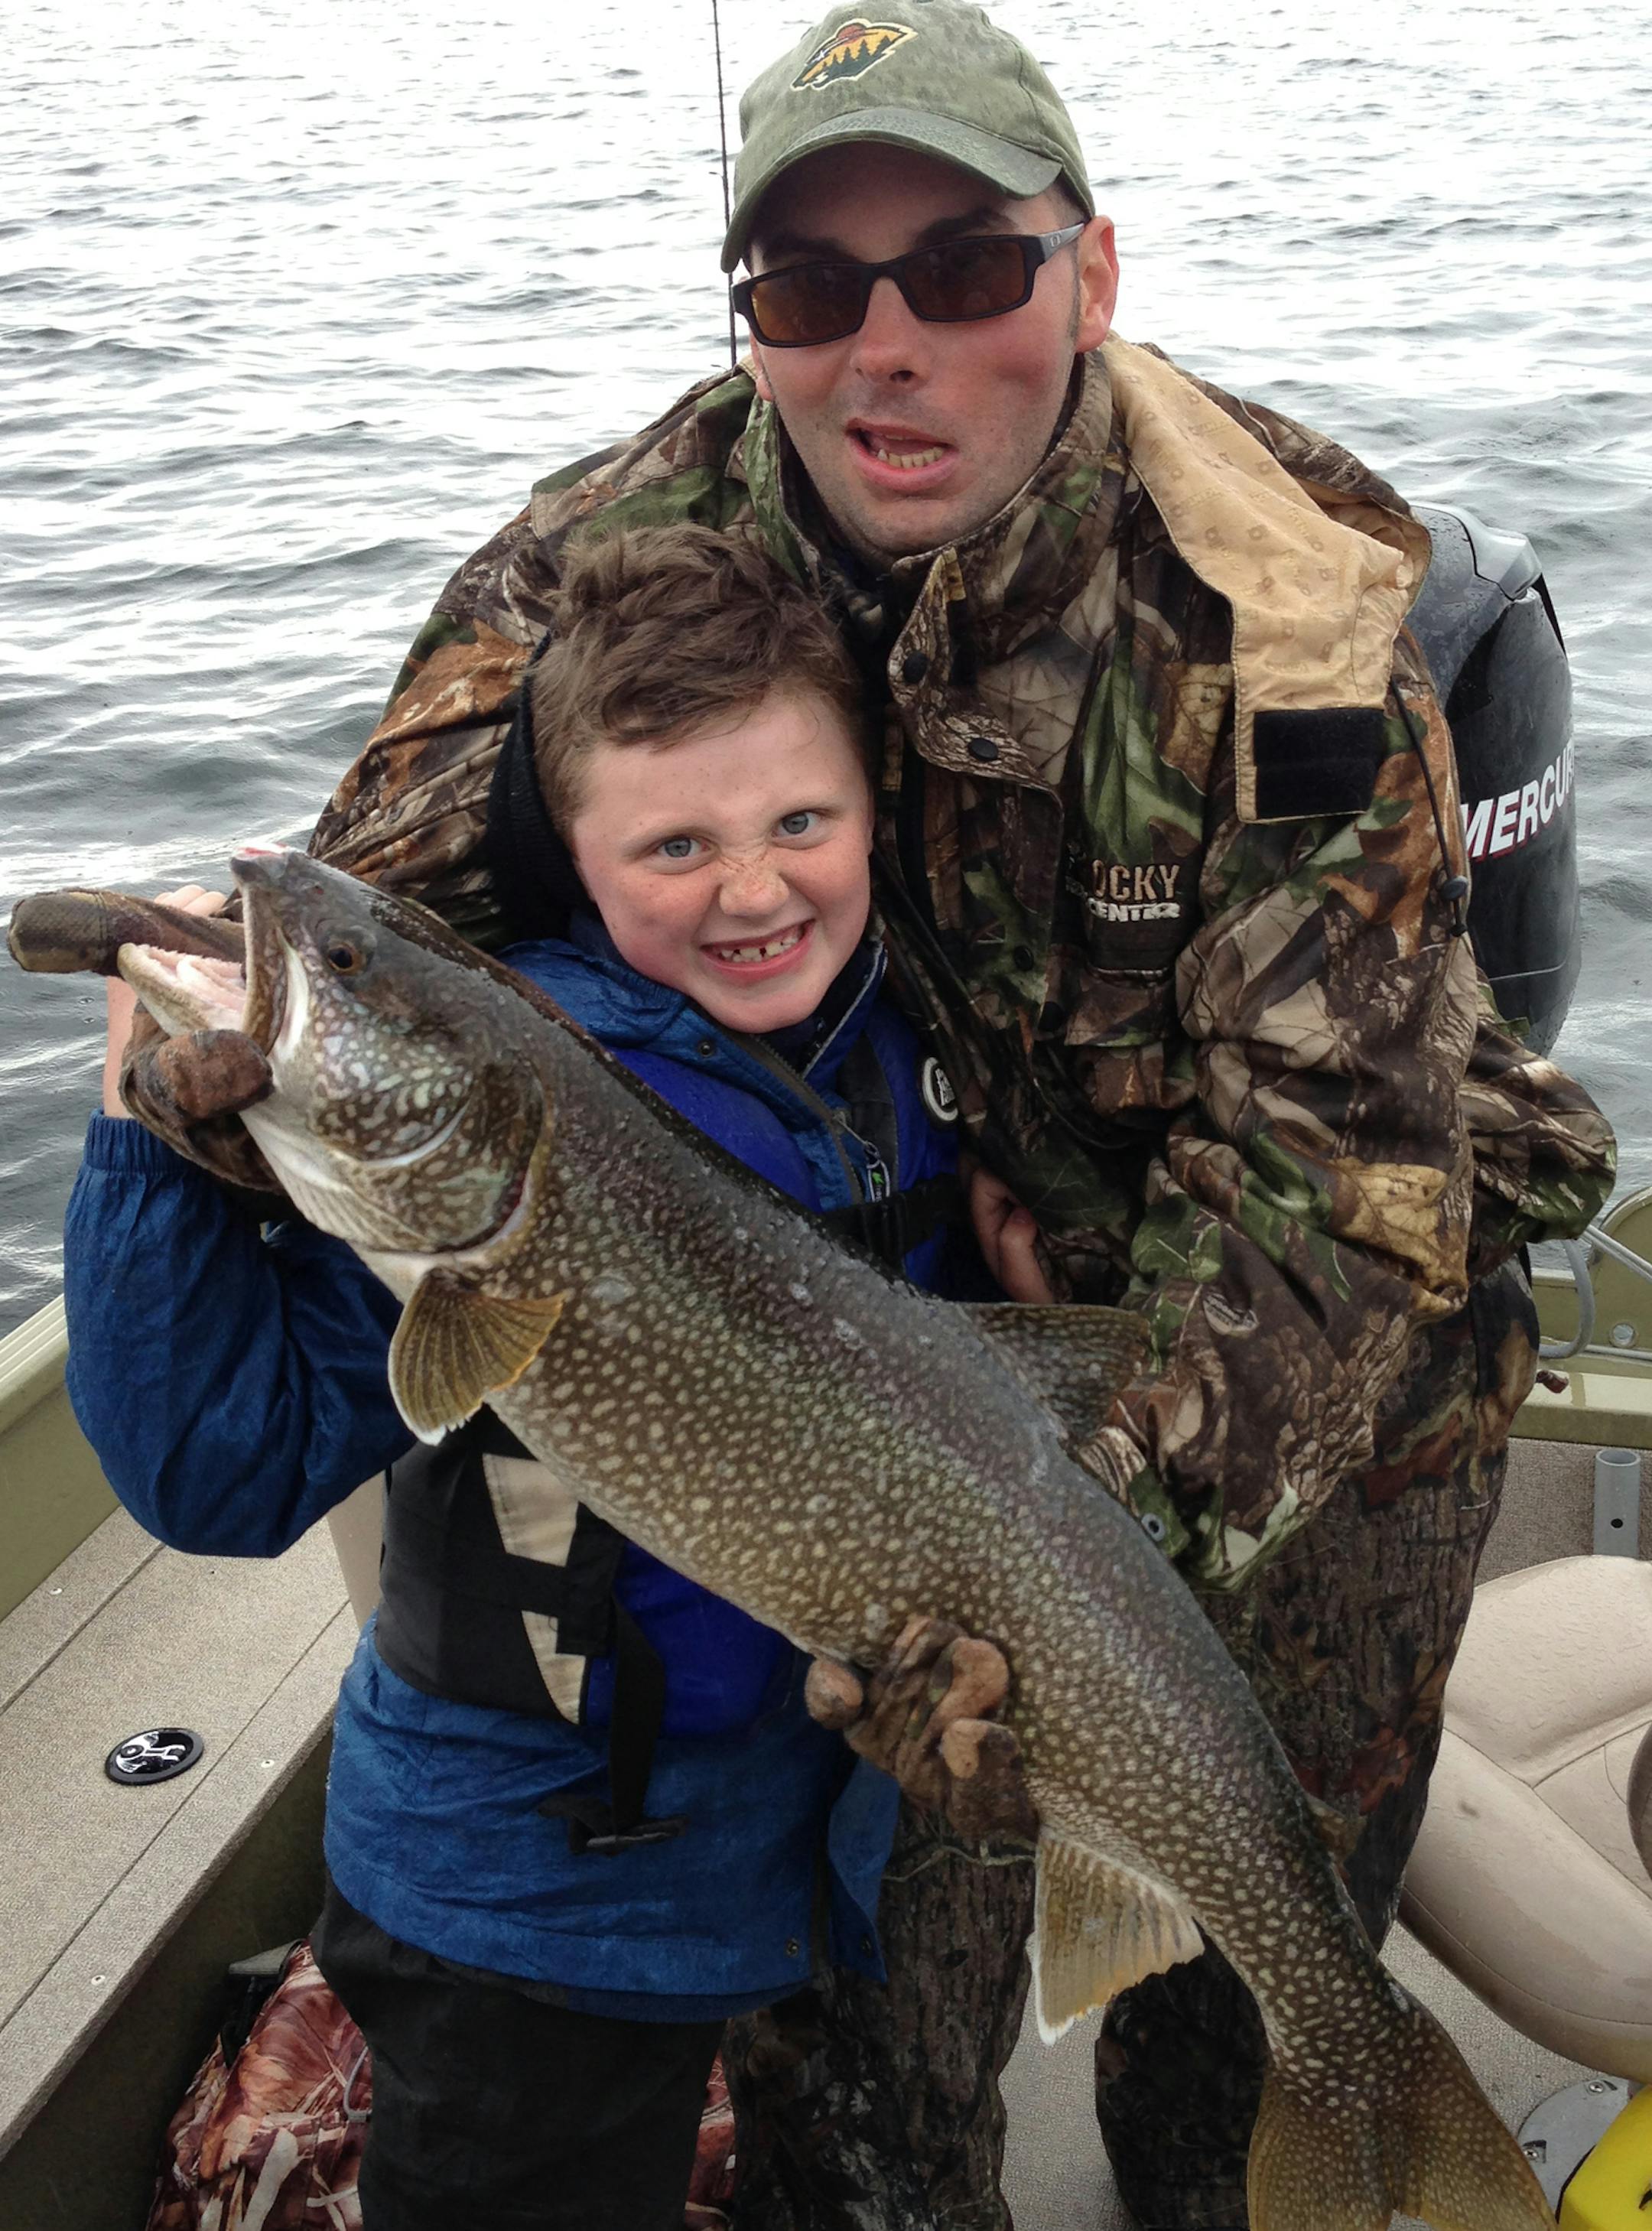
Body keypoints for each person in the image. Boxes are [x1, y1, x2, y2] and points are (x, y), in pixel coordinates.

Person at [110, 4, 1617, 2226]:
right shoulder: (623, 546)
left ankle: (1295, 2140)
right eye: (810, 290)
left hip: (1309, 1368)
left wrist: (1091, 1526)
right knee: (874, 2080)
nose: (883, 348)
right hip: (894, 1352)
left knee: (1242, 2000)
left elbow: (1349, 1186)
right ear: (755, 323)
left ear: (1088, 280)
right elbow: (373, 920)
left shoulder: (1294, 614)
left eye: (968, 272)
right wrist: (191, 1090)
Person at [66, 523, 997, 2231]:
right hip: (521, 1911)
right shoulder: (479, 1168)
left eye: (803, 821)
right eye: (675, 844)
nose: (754, 886)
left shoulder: (895, 1047)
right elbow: (218, 1469)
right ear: (572, 855)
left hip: (800, 1855)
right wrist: (145, 1142)